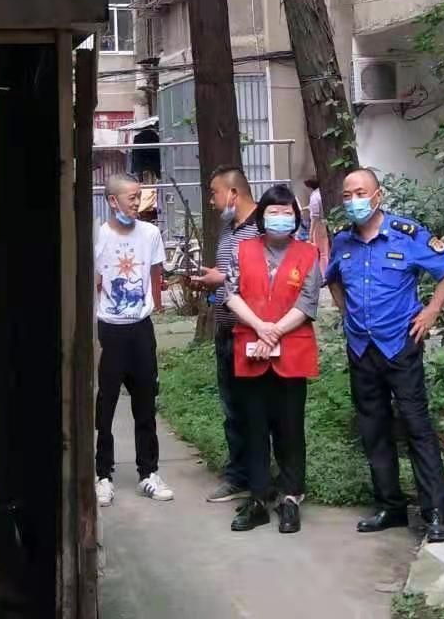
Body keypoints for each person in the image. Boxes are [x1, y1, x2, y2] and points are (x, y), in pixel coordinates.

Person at [324, 167, 444, 543]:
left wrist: (432, 310)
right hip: (361, 348)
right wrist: (346, 313)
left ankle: (436, 511)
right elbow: (332, 279)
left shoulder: (407, 233)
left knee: (417, 427)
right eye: (347, 195)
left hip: (400, 345)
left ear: (378, 196)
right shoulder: (343, 241)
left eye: (361, 193)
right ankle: (390, 505)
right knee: (374, 430)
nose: (354, 201)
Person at [225, 185, 322, 533]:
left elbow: (308, 302)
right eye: (273, 212)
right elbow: (231, 294)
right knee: (253, 427)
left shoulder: (308, 253)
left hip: (291, 350)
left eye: (287, 212)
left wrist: (275, 331)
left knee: (290, 427)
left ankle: (291, 497)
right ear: (262, 216)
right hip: (251, 347)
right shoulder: (242, 249)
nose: (280, 218)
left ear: (295, 217)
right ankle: (258, 499)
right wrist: (260, 327)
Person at [94, 175, 175, 506]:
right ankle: (102, 475)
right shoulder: (99, 236)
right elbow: (94, 280)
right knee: (105, 406)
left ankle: (148, 473)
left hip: (141, 329)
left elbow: (155, 274)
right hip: (108, 330)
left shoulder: (150, 234)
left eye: (139, 196)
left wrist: (152, 306)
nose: (136, 203)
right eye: (131, 197)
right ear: (112, 201)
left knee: (145, 403)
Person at [186, 166, 262, 504]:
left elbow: (269, 275)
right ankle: (239, 476)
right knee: (232, 408)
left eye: (214, 192)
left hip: (255, 332)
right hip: (226, 329)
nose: (211, 200)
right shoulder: (228, 228)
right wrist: (211, 283)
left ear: (233, 193)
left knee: (256, 408)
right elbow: (230, 273)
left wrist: (224, 279)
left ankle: (262, 478)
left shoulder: (264, 226)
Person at [303, 176, 323, 244]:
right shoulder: (321, 193)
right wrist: (306, 208)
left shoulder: (314, 196)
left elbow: (315, 216)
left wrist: (310, 234)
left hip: (319, 225)